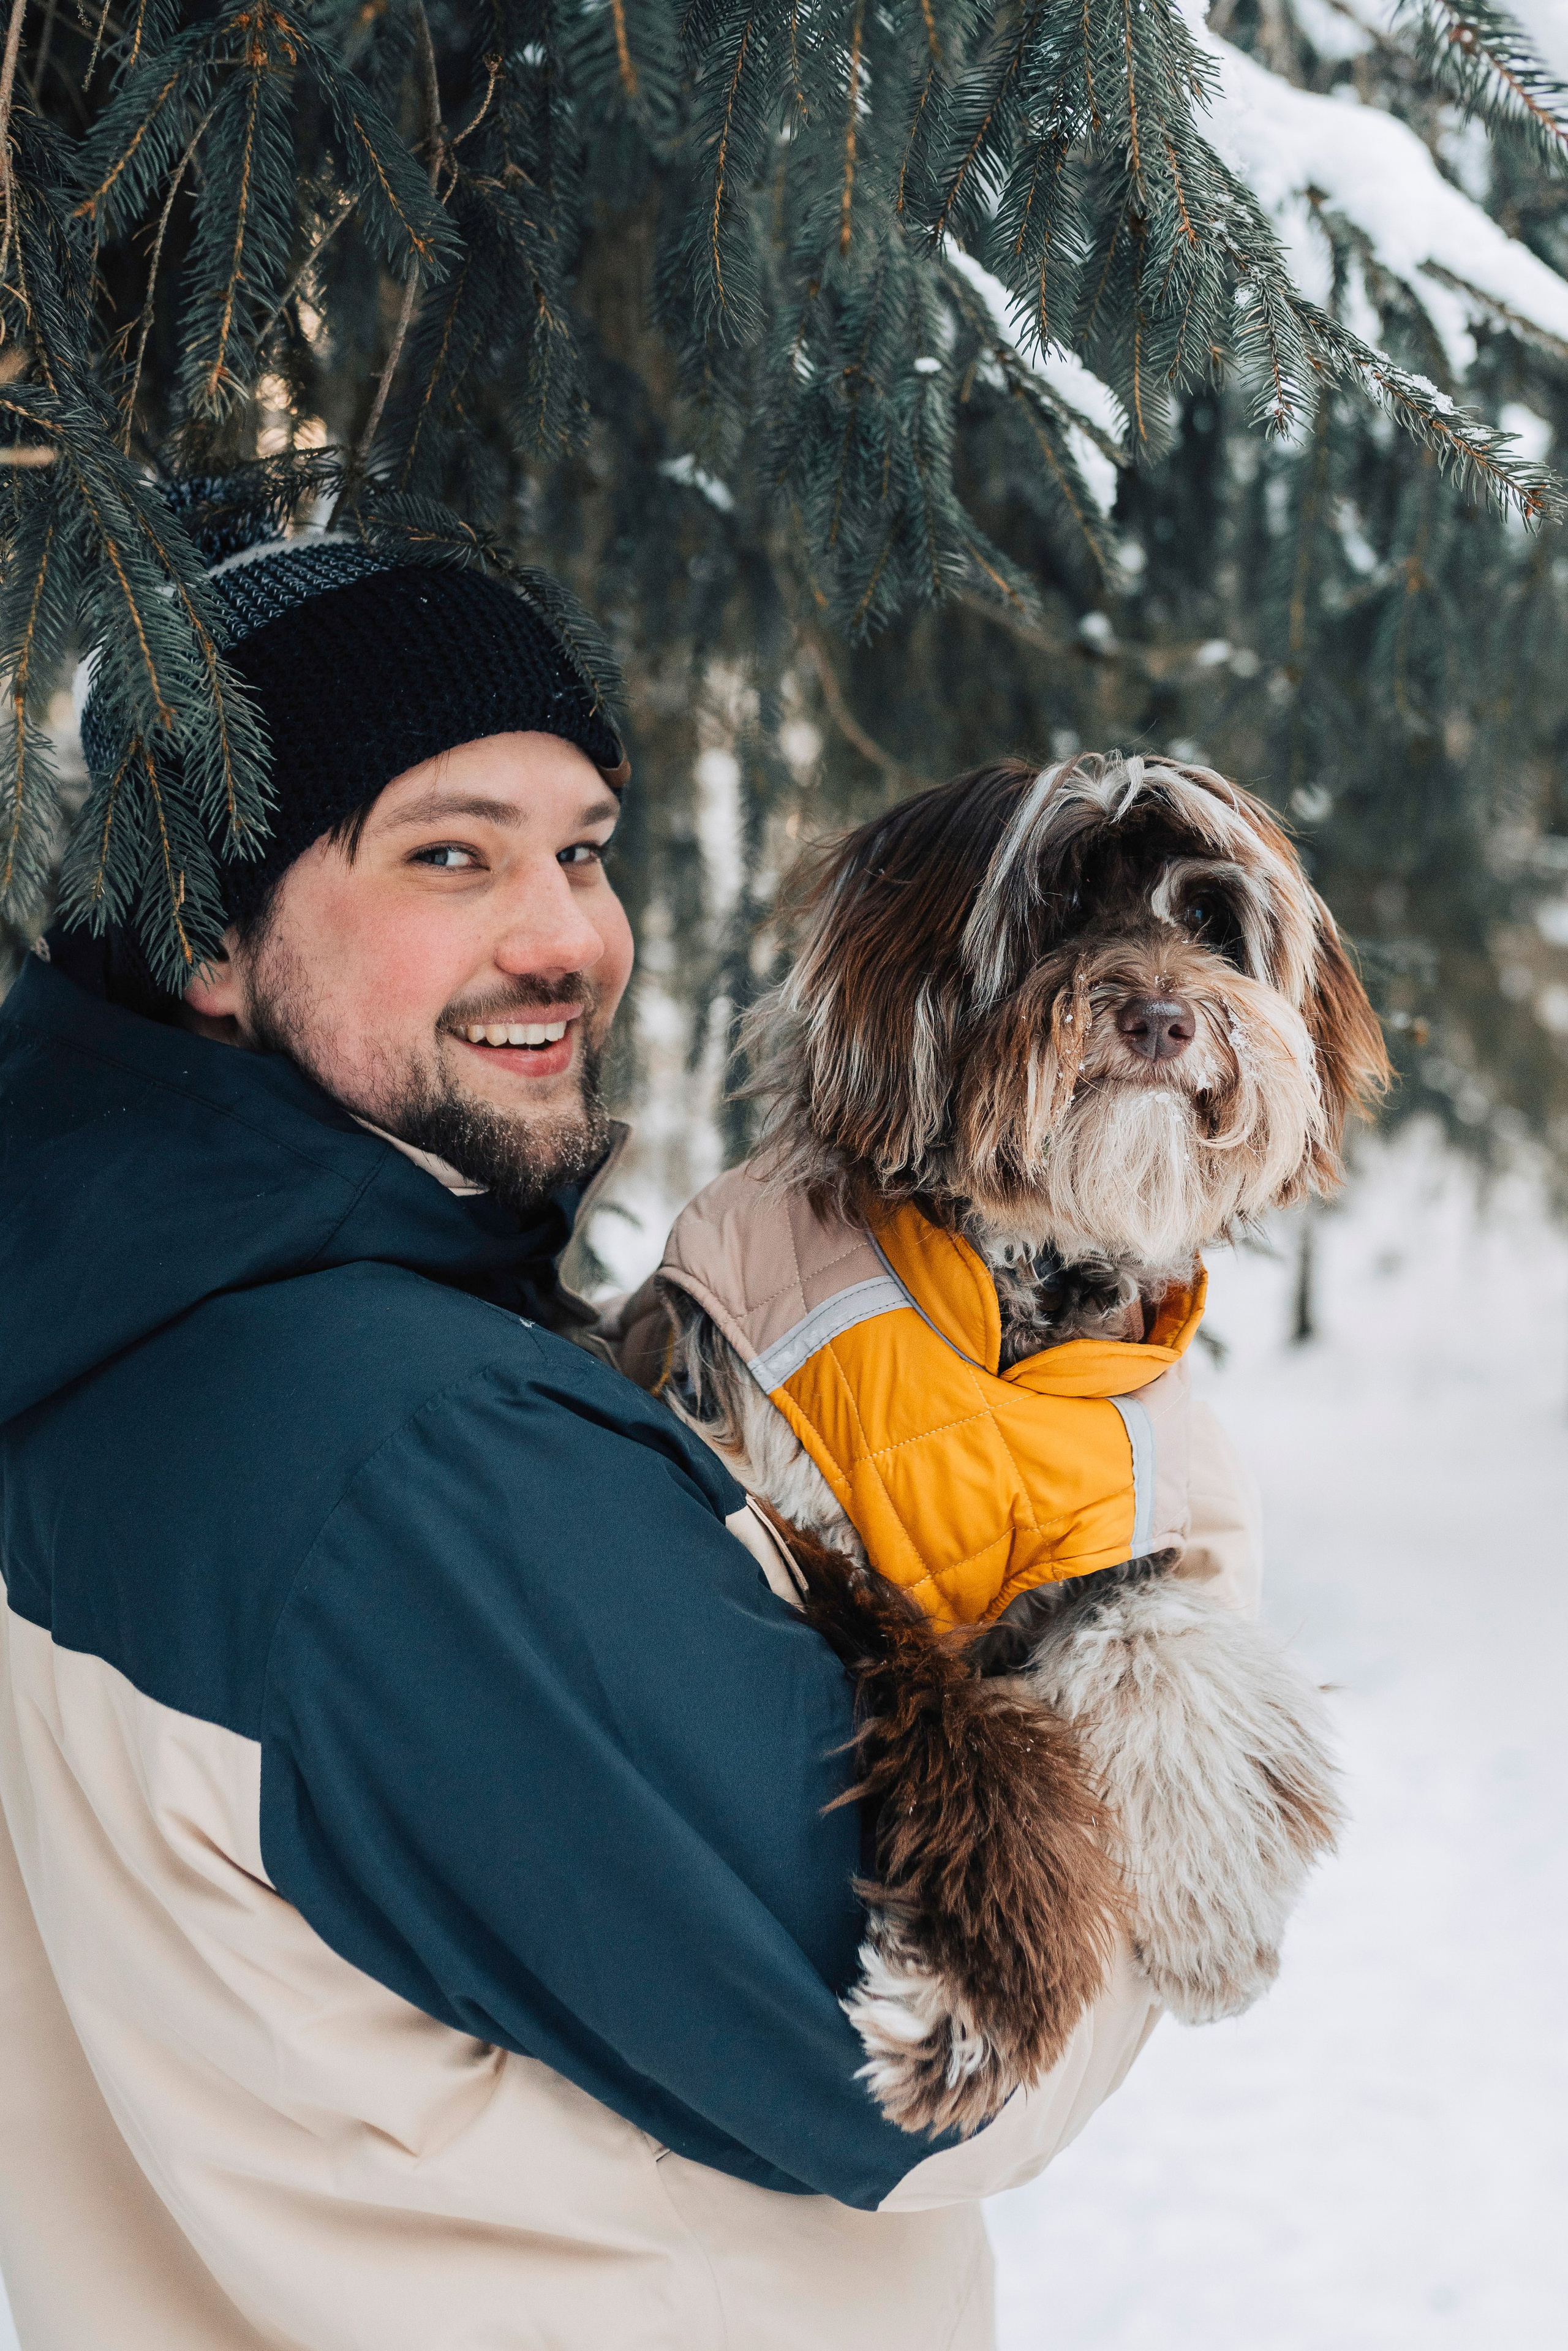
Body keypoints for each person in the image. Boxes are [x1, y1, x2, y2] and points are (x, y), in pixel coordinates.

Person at [0, 522, 1262, 2351]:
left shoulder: (103, 1311)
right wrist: (1161, 1576)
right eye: (451, 855)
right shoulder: (426, 1463)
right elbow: (926, 2073)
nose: (566, 938)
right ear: (206, 928)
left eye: (581, 851)